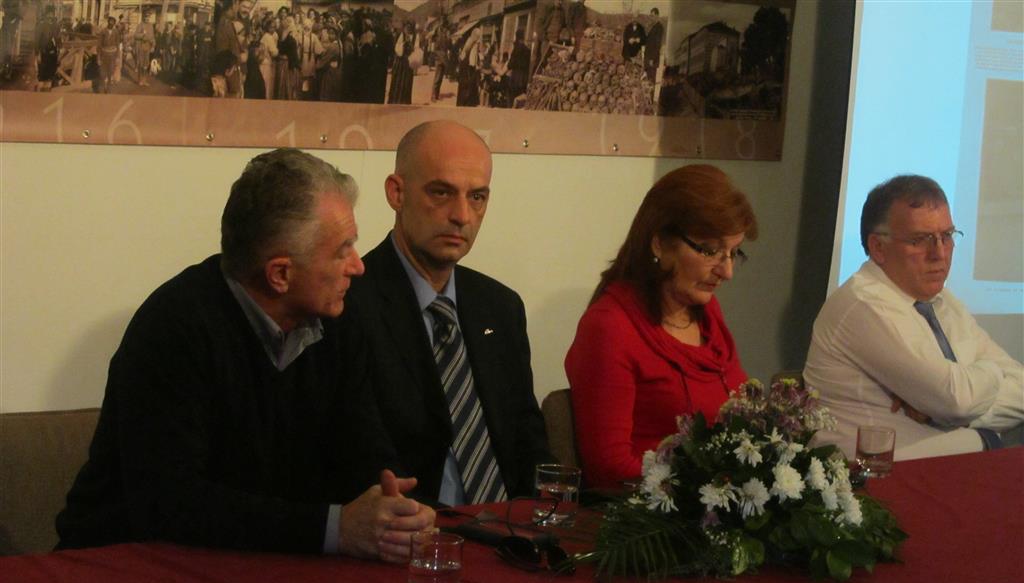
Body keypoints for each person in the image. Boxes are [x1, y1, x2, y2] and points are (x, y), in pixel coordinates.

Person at [57, 149, 435, 561]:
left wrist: (396, 507)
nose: (358, 267)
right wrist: (333, 529)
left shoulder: (339, 320)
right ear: (280, 274)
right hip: (125, 564)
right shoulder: (174, 327)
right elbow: (172, 503)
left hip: (270, 562)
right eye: (342, 251)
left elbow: (363, 447)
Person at [346, 121, 552, 506]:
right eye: (441, 192)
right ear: (396, 193)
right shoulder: (349, 304)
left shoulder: (500, 306)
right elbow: (361, 458)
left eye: (477, 197)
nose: (462, 215)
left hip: (513, 528)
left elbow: (529, 444)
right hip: (418, 527)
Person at [804, 175, 1023, 461]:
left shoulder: (943, 302)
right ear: (878, 247)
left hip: (947, 466)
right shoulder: (862, 303)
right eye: (920, 240)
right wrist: (991, 374)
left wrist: (943, 414)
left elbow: (1018, 390)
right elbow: (956, 399)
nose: (939, 253)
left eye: (947, 236)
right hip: (874, 475)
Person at [565, 165, 757, 489]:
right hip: (649, 512)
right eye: (710, 251)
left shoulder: (707, 312)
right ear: (659, 244)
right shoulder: (609, 328)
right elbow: (609, 469)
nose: (727, 272)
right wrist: (707, 489)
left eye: (733, 253)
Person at [96, 15, 119, 93]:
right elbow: (99, 45)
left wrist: (117, 57)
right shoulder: (103, 31)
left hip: (112, 55)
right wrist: (98, 58)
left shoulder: (116, 32)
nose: (111, 24)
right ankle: (102, 87)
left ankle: (108, 88)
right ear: (108, 22)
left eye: (113, 23)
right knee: (102, 73)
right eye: (110, 22)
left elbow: (117, 45)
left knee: (110, 72)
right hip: (104, 54)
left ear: (114, 24)